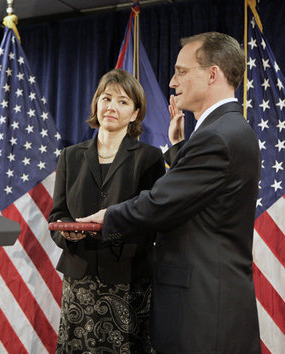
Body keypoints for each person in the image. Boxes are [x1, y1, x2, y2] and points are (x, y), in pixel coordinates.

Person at [78, 32, 262, 353]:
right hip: (211, 304)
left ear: (213, 74)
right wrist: (178, 148)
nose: (173, 82)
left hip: (203, 314)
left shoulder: (217, 135)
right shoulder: (226, 129)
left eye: (182, 71)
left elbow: (163, 202)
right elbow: (202, 195)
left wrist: (105, 217)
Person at [49, 69, 165, 353]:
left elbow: (153, 219)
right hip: (80, 279)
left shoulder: (149, 158)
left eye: (123, 102)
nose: (112, 107)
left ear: (136, 114)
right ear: (96, 104)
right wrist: (68, 235)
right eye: (106, 98)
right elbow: (57, 215)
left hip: (128, 279)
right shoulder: (70, 156)